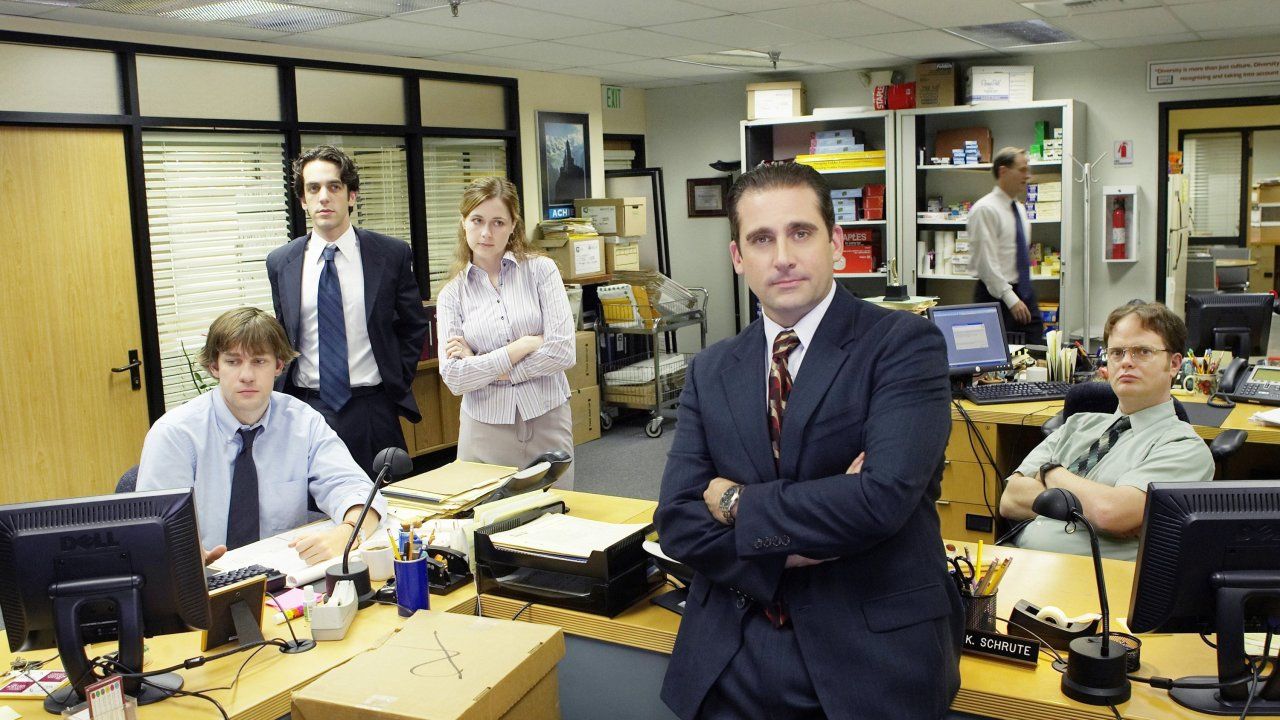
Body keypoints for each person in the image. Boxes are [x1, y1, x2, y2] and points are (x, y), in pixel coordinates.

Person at [654, 162, 961, 720]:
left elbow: (880, 500)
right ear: (737, 257)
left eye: (800, 232)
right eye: (761, 239)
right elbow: (677, 519)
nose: (782, 257)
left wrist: (735, 502)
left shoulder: (903, 345)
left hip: (870, 657)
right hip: (732, 653)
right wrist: (812, 534)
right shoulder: (712, 368)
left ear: (836, 243)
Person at [137, 307, 386, 566]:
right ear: (214, 367)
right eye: (233, 362)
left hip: (283, 573)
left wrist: (348, 533)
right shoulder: (175, 434)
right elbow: (152, 530)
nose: (246, 376)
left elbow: (355, 489)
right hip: (202, 576)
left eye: (259, 361)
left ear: (278, 366)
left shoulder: (303, 422)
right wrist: (179, 556)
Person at [999, 302, 1213, 561]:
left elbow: (1109, 513)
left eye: (1142, 352)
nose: (1126, 362)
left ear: (1175, 364)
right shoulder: (1077, 424)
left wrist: (1050, 472)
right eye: (1117, 353)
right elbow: (1010, 499)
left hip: (1094, 578)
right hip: (1021, 564)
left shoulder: (1184, 448)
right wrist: (1089, 506)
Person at [266, 145, 429, 476]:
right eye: (314, 188)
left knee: (385, 500)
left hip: (373, 408)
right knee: (314, 503)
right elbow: (283, 334)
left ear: (351, 195)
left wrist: (394, 379)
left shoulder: (390, 254)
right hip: (308, 409)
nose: (324, 197)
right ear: (303, 200)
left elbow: (413, 325)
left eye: (334, 187)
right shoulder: (281, 262)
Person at [436, 176, 576, 488]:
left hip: (547, 416)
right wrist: (521, 347)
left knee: (556, 510)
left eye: (498, 222)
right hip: (483, 428)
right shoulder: (451, 295)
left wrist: (484, 366)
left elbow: (562, 352)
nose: (486, 232)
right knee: (486, 515)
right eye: (477, 220)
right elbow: (455, 378)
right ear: (463, 222)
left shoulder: (541, 271)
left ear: (513, 225)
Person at [968, 146, 1045, 345]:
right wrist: (1010, 298)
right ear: (1003, 171)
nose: (1027, 176)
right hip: (996, 296)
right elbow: (986, 263)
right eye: (1022, 170)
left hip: (1023, 292)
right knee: (998, 355)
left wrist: (1020, 296)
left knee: (1035, 348)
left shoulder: (1019, 209)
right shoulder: (985, 209)